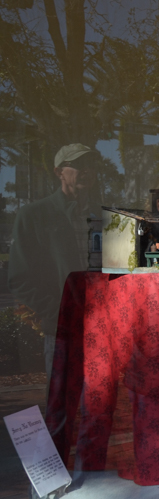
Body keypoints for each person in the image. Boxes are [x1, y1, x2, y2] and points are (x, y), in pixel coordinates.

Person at [8, 143, 101, 378]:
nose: (87, 170)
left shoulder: (103, 216)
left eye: (91, 165)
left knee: (101, 402)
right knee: (63, 404)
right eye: (79, 165)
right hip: (63, 329)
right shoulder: (34, 215)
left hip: (103, 325)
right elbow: (20, 278)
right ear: (59, 171)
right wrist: (57, 312)